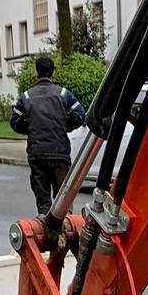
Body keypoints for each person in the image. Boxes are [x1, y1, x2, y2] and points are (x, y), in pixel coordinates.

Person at [10, 55, 87, 216]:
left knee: (43, 201)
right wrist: (64, 126)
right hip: (59, 153)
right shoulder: (63, 94)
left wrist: (31, 128)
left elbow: (15, 122)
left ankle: (45, 230)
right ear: (53, 73)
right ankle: (64, 232)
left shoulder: (26, 97)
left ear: (36, 73)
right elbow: (80, 115)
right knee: (63, 201)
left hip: (37, 154)